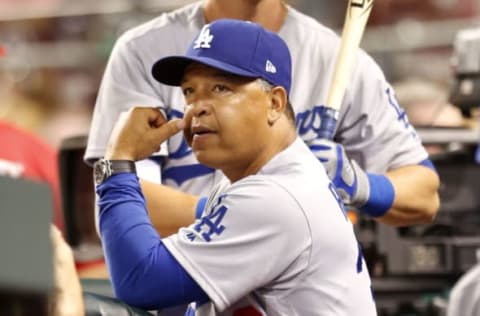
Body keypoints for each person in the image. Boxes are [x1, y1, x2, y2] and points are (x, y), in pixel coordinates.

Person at [85, 0, 439, 238]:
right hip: (187, 284)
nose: (201, 102)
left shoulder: (338, 58)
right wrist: (242, 213)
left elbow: (424, 194)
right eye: (191, 91)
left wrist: (359, 183)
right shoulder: (143, 51)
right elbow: (123, 203)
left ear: (276, 101)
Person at [95, 19, 377, 315]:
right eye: (189, 91)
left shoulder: (276, 196)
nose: (197, 107)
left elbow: (141, 280)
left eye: (221, 88)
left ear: (275, 103)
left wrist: (117, 161)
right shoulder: (257, 180)